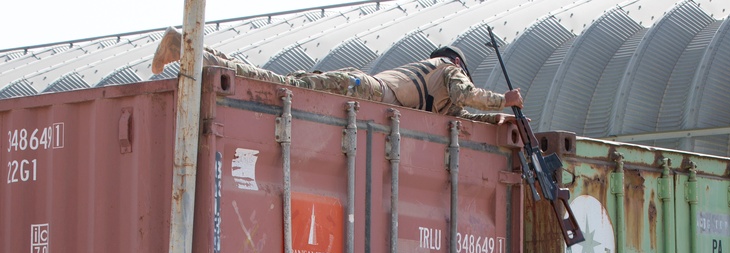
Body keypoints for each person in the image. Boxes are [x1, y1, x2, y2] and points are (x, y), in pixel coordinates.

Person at [151, 28, 522, 124]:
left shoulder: (437, 88)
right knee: (280, 85)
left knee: (276, 81)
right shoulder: (449, 71)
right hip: (364, 91)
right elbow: (466, 97)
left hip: (359, 85)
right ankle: (189, 48)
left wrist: (499, 117)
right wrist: (503, 100)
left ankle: (197, 53)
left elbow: (467, 116)